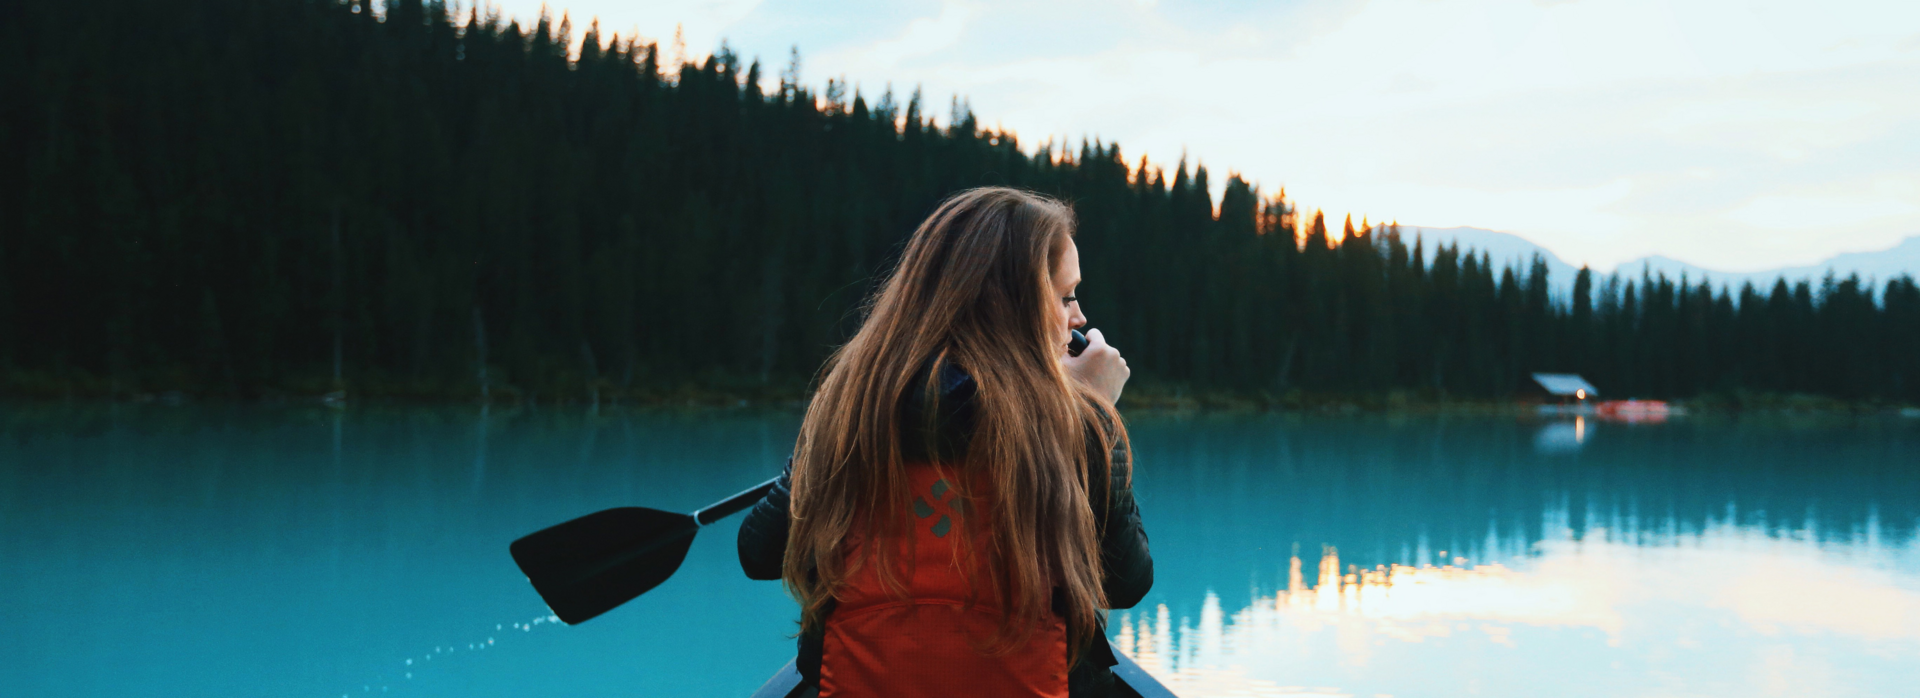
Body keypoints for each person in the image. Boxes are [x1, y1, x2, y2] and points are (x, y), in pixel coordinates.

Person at [737, 187, 1152, 698]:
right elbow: (1124, 583)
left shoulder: (851, 405)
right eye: (1065, 296)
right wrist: (1097, 413)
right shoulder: (1068, 425)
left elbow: (759, 552)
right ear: (1017, 302)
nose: (1079, 317)